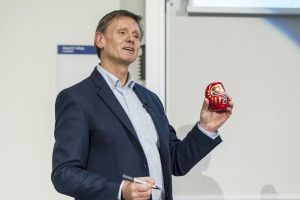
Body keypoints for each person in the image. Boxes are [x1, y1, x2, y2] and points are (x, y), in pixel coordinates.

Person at [51, 10, 233, 200]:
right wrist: (120, 189)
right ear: (100, 40)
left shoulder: (151, 99)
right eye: (122, 32)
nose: (131, 39)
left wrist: (206, 128)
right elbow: (64, 174)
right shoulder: (77, 98)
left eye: (136, 35)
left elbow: (176, 163)